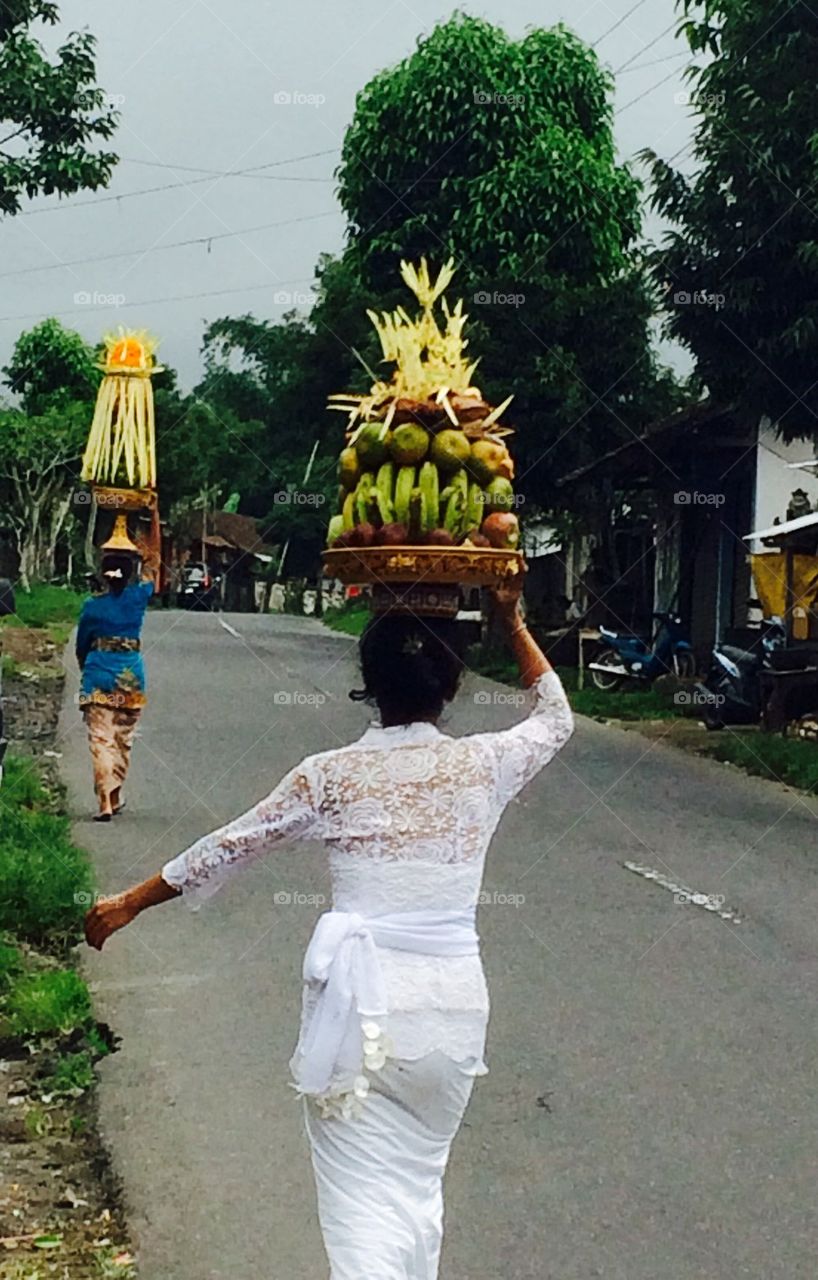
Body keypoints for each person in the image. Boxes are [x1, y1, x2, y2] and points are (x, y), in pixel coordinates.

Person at [84, 581, 574, 1277]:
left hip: (362, 1016)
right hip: (452, 1013)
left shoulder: (330, 777)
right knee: (417, 1196)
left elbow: (230, 845)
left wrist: (129, 902)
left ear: (368, 684)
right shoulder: (482, 764)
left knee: (361, 1217)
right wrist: (512, 619)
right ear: (452, 683)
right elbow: (555, 717)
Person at [76, 553, 153, 821]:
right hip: (130, 678)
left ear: (103, 576)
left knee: (101, 740)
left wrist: (86, 668)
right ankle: (115, 794)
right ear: (130, 574)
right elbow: (153, 564)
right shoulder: (138, 599)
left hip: (98, 675)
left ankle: (106, 801)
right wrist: (152, 517)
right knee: (123, 740)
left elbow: (82, 645)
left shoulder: (92, 607)